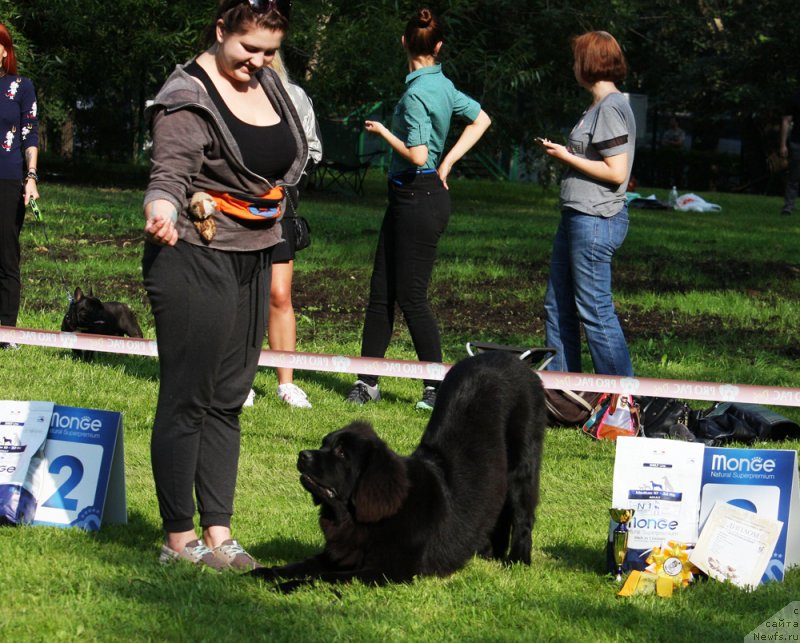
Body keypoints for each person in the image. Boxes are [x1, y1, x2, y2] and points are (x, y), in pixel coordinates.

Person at [142, 0, 307, 570]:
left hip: (255, 254)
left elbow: (283, 161)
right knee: (188, 397)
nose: (259, 62)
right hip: (192, 254)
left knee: (230, 397)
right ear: (220, 32)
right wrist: (161, 209)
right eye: (248, 49)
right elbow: (168, 173)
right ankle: (177, 539)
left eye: (270, 52)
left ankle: (220, 534)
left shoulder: (271, 85)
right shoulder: (185, 94)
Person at [345, 7, 491, 410]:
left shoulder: (414, 95)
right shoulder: (442, 85)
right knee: (382, 293)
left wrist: (384, 132)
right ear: (439, 46)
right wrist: (450, 162)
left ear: (404, 43)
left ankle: (436, 387)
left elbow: (418, 154)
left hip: (418, 197)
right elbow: (481, 119)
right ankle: (367, 381)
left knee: (410, 296)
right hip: (410, 197)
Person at [538, 31, 635, 378]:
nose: (573, 66)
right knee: (558, 305)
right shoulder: (597, 106)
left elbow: (616, 172)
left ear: (588, 64)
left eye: (576, 58)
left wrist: (565, 155)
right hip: (577, 216)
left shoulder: (610, 107)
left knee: (594, 309)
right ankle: (566, 393)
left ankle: (622, 400)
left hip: (595, 220)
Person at [245, 50, 322, 409]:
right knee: (243, 294)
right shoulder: (235, 92)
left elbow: (313, 149)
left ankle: (286, 383)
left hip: (281, 206)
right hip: (238, 205)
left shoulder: (296, 96)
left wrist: (285, 175)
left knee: (279, 294)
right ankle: (239, 380)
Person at [0, 23, 38, 350]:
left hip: (8, 179)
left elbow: (30, 135)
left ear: (4, 50)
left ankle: (7, 333)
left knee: (5, 255)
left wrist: (32, 177)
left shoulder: (21, 87)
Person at [779, 90, 800, 215]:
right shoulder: (795, 98)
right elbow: (786, 121)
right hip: (797, 141)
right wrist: (783, 145)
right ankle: (788, 206)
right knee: (794, 176)